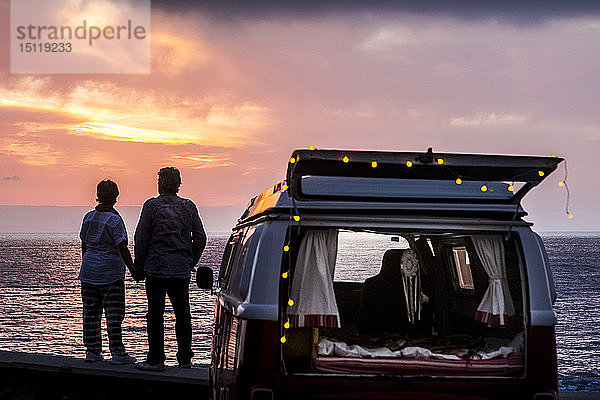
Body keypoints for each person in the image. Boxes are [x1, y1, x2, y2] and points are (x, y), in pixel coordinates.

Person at [133, 167, 207, 371]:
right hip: (180, 269)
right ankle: (184, 359)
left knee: (155, 313)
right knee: (182, 314)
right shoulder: (188, 207)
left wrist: (138, 265)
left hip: (155, 268)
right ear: (178, 184)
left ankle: (156, 359)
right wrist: (190, 261)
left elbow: (141, 238)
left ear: (160, 184)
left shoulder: (151, 206)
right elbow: (200, 238)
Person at [79, 179, 139, 364]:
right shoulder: (114, 220)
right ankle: (118, 353)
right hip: (110, 273)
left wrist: (86, 264)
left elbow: (84, 245)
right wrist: (134, 270)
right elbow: (122, 247)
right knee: (114, 313)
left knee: (90, 313)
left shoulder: (88, 217)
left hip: (89, 271)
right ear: (116, 196)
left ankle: (92, 350)